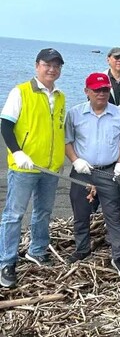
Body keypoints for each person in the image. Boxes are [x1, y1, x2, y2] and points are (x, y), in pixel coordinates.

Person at [0, 49, 65, 288]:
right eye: (47, 64)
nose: (52, 69)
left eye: (57, 65)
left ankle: (37, 250)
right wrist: (17, 152)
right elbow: (6, 125)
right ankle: (6, 262)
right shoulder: (21, 91)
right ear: (37, 65)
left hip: (50, 168)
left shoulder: (60, 96)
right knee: (13, 215)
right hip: (24, 167)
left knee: (43, 212)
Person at [65, 73, 120, 280]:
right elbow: (67, 142)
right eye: (97, 90)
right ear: (87, 91)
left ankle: (119, 256)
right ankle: (82, 248)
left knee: (113, 214)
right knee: (81, 212)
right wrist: (76, 160)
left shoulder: (118, 114)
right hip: (83, 171)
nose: (102, 94)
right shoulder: (74, 113)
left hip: (108, 171)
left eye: (105, 89)